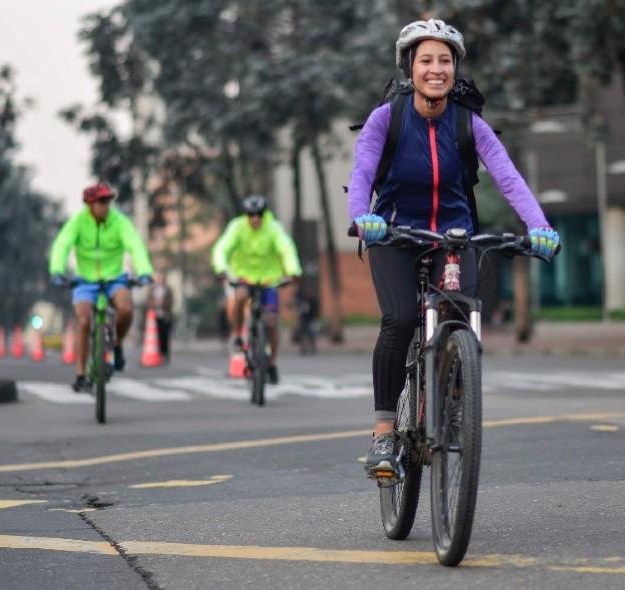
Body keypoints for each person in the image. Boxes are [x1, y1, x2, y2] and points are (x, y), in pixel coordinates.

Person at [347, 19, 560, 477]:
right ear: (410, 67)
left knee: (461, 314)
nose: (437, 69)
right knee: (400, 319)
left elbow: (507, 176)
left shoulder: (468, 122)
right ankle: (385, 432)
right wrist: (363, 219)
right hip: (395, 233)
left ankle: (457, 398)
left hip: (454, 235)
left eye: (445, 60)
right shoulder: (388, 117)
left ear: (455, 67)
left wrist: (539, 224)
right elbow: (363, 170)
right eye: (426, 60)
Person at [49, 182, 154, 392]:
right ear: (89, 204)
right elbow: (62, 244)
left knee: (125, 309)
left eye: (109, 201)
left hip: (114, 277)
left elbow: (135, 244)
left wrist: (144, 272)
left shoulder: (119, 221)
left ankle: (116, 344)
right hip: (85, 280)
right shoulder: (78, 222)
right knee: (83, 320)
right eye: (102, 202)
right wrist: (57, 271)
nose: (107, 206)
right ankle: (80, 375)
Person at [211, 195, 302, 385]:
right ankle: (237, 335)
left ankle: (272, 363)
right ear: (246, 215)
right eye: (251, 214)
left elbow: (286, 249)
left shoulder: (273, 228)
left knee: (271, 322)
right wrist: (221, 268)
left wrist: (293, 270)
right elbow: (222, 248)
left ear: (264, 214)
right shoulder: (237, 227)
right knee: (240, 296)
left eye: (259, 214)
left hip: (269, 280)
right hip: (244, 277)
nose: (255, 218)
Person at [144, 274, 175, 364]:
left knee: (165, 336)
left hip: (165, 316)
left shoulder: (168, 290)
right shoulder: (151, 290)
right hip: (154, 317)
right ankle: (157, 355)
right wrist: (155, 305)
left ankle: (165, 354)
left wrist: (163, 304)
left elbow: (171, 301)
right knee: (155, 338)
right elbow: (148, 301)